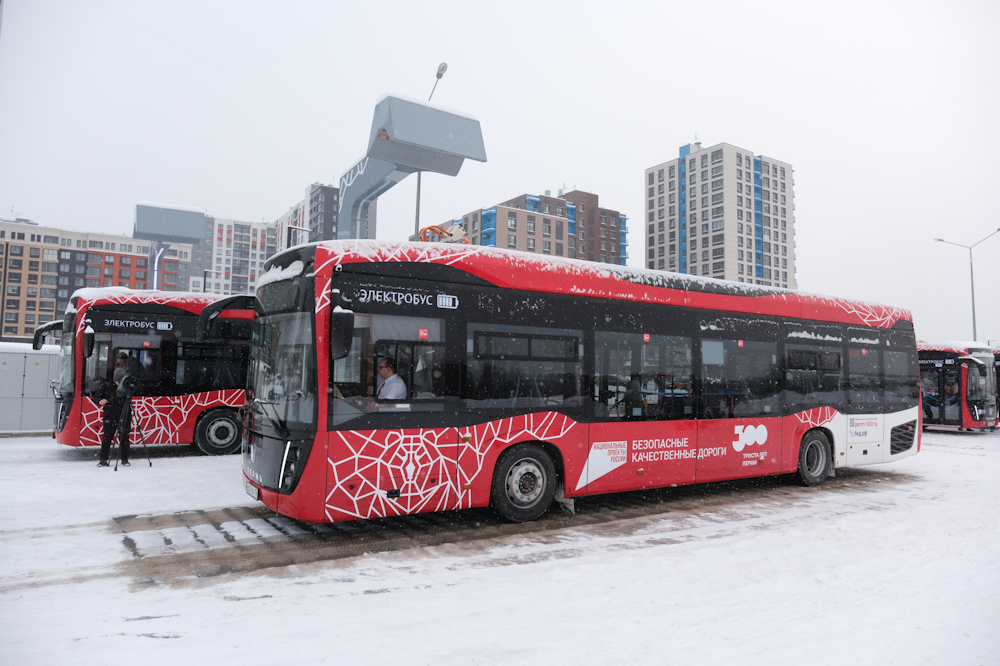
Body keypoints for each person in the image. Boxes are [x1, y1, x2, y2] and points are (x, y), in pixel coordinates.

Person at [97, 352, 133, 467]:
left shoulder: (127, 387)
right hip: (110, 415)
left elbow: (138, 390)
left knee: (124, 438)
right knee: (107, 438)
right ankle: (103, 459)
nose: (119, 383)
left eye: (121, 381)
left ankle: (125, 459)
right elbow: (96, 397)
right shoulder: (107, 386)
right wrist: (100, 401)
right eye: (118, 381)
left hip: (124, 415)